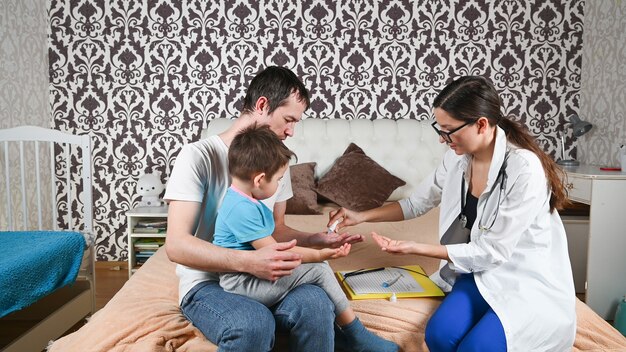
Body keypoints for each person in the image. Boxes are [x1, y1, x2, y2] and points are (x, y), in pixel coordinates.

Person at [328, 76, 576, 351]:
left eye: (448, 130)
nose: (442, 138)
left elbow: (494, 252)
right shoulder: (457, 158)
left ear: (481, 124)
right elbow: (415, 204)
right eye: (440, 128)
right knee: (439, 336)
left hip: (521, 278)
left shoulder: (523, 168)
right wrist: (361, 216)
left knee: (476, 347)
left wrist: (418, 248)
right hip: (475, 273)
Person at [164, 66, 364, 352]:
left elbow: (276, 229)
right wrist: (248, 263)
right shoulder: (197, 156)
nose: (291, 131)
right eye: (288, 119)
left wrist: (316, 239)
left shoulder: (276, 163)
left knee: (317, 305)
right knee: (253, 323)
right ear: (262, 105)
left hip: (266, 275)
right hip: (208, 283)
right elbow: (176, 246)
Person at [213, 124, 399, 352]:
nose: (281, 184)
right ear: (260, 179)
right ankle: (356, 334)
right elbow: (277, 254)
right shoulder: (241, 209)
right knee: (318, 269)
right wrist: (320, 255)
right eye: (280, 179)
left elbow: (272, 242)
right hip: (243, 285)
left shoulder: (246, 200)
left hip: (254, 274)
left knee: (317, 268)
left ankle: (339, 333)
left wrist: (318, 243)